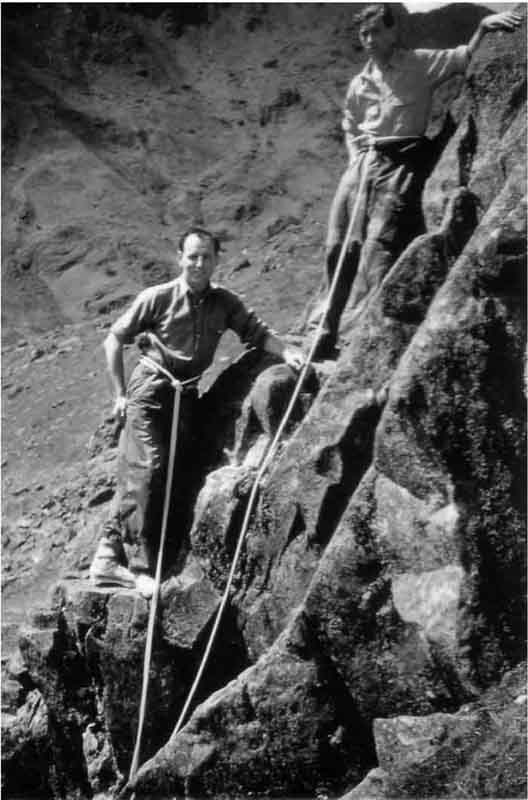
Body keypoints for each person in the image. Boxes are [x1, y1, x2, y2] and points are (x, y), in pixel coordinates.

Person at [89, 227, 304, 598]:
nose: (199, 264)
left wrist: (286, 352)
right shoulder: (157, 298)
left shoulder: (224, 302)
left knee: (170, 473)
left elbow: (255, 331)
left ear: (216, 260)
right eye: (192, 256)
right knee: (148, 468)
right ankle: (137, 568)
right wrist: (119, 394)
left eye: (206, 256)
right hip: (150, 390)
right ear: (179, 258)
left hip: (185, 396)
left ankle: (107, 556)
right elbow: (114, 338)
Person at [309, 3, 522, 359]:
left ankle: (364, 340)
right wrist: (353, 157)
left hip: (400, 161)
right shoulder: (359, 83)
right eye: (365, 34)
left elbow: (464, 58)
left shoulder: (419, 63)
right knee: (337, 246)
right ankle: (323, 330)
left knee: (379, 249)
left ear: (393, 32)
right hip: (361, 165)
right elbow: (349, 124)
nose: (370, 40)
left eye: (377, 31)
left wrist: (484, 27)